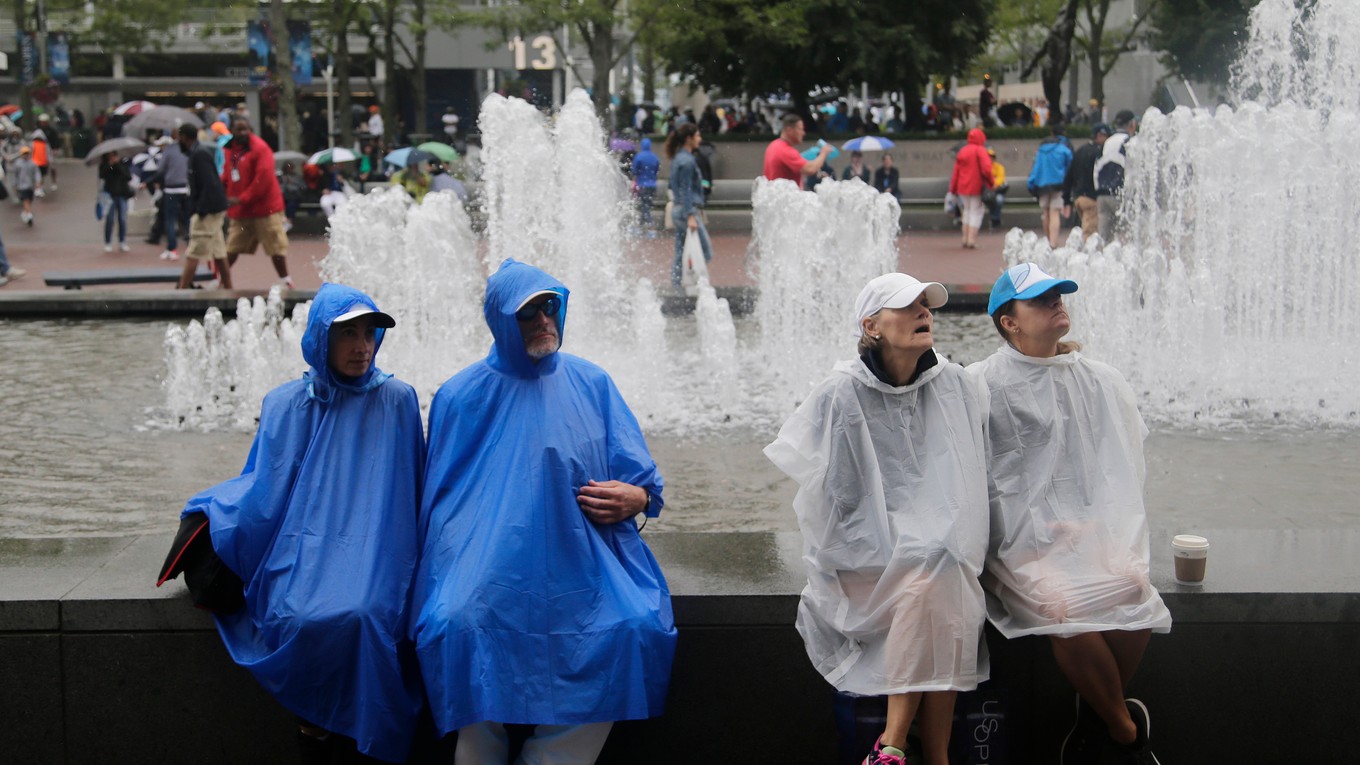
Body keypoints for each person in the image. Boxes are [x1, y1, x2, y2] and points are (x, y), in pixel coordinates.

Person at [412, 258, 675, 765]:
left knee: (633, 628)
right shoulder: (460, 396)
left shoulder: (592, 383)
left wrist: (638, 498)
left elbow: (641, 476)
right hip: (486, 568)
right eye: (529, 314)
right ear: (501, 320)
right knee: (457, 625)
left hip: (585, 563)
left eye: (550, 309)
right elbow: (440, 503)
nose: (544, 323)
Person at [166, 283, 425, 763]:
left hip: (376, 552)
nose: (362, 345)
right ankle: (316, 731)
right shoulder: (285, 403)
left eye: (369, 333)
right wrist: (216, 516)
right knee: (301, 614)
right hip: (298, 550)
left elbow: (405, 497)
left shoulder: (397, 401)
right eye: (348, 334)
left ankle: (351, 736)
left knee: (367, 612)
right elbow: (263, 489)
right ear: (321, 339)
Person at [765, 272, 990, 765]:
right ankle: (926, 753)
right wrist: (905, 545)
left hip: (933, 564)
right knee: (931, 573)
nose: (924, 313)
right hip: (861, 563)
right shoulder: (840, 393)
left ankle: (895, 749)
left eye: (927, 306)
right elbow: (836, 503)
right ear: (871, 325)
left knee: (937, 571)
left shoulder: (953, 384)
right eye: (908, 307)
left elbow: (973, 475)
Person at [972, 263, 1172, 765]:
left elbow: (1117, 468)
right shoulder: (979, 384)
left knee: (1133, 591)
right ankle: (1125, 732)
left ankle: (1095, 719)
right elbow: (977, 479)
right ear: (1008, 322)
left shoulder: (1100, 380)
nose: (1057, 303)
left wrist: (1092, 527)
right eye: (1040, 299)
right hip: (1018, 541)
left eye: (1059, 294)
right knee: (1063, 610)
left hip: (1083, 530)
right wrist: (1030, 532)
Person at [222, 118, 293, 289]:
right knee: (231, 247)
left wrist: (242, 198)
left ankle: (285, 280)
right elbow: (227, 174)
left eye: (245, 129)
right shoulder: (230, 150)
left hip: (265, 208)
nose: (243, 133)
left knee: (275, 246)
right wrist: (221, 192)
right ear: (232, 130)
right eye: (239, 129)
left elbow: (263, 178)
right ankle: (221, 279)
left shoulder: (260, 148)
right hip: (242, 210)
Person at [177, 123, 233, 290]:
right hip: (214, 207)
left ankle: (182, 291)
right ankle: (229, 288)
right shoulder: (198, 152)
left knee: (194, 250)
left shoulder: (198, 154)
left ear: (185, 137)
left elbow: (209, 183)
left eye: (179, 137)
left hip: (208, 210)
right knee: (219, 251)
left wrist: (200, 209)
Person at [665, 123, 713, 290]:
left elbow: (673, 186)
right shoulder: (687, 161)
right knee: (706, 251)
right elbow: (685, 189)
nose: (700, 139)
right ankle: (694, 281)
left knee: (680, 251)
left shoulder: (678, 158)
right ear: (689, 139)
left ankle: (677, 287)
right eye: (697, 136)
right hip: (687, 211)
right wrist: (691, 215)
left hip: (678, 210)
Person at [1026, 123, 1074, 248]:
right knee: (1055, 213)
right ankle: (1053, 242)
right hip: (1058, 184)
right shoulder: (1064, 149)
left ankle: (1047, 240)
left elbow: (1036, 168)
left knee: (1046, 213)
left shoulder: (1041, 151)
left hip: (1042, 185)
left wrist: (1031, 183)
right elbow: (1070, 167)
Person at [1095, 110, 1138, 243]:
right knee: (1129, 235)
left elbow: (1097, 167)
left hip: (1102, 194)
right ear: (1131, 124)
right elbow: (1134, 169)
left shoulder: (1107, 141)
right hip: (1120, 193)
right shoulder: (1130, 141)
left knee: (1104, 237)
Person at [1063, 123, 1111, 240]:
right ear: (1099, 136)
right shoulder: (1098, 152)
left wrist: (1066, 200)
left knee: (1087, 226)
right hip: (1091, 197)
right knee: (1091, 233)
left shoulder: (1080, 151)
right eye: (1107, 136)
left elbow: (1068, 176)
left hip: (1079, 197)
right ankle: (1089, 255)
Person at [948, 127, 993, 249]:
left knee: (966, 211)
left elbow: (956, 172)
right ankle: (972, 239)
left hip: (962, 187)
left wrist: (953, 188)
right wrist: (991, 182)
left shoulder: (962, 151)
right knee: (976, 212)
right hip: (976, 185)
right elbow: (987, 169)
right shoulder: (980, 150)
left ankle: (965, 238)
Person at [150, 133, 191, 261]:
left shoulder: (169, 151)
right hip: (184, 187)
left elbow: (161, 170)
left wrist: (150, 181)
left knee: (170, 219)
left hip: (171, 188)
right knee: (186, 218)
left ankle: (172, 248)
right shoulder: (186, 149)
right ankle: (191, 245)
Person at [763, 113, 832, 184]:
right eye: (800, 129)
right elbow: (810, 169)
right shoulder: (785, 150)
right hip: (786, 194)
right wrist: (824, 152)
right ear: (789, 130)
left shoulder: (774, 145)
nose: (803, 133)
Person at [98, 151, 134, 252]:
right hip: (109, 195)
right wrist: (109, 165)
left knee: (122, 219)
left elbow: (128, 176)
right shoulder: (104, 165)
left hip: (122, 194)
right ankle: (108, 242)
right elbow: (102, 175)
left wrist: (117, 165)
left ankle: (122, 241)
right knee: (109, 220)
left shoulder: (122, 163)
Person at [630, 136, 660, 231]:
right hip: (652, 184)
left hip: (642, 184)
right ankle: (642, 224)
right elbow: (656, 170)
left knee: (644, 205)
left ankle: (649, 224)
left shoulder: (639, 156)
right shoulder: (654, 157)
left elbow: (634, 171)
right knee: (647, 204)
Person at [12, 146, 38, 227]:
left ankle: (25, 213)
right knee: (26, 200)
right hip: (22, 186)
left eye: (27, 153)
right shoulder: (18, 164)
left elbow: (37, 173)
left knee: (29, 201)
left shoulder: (33, 163)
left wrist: (37, 182)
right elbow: (15, 175)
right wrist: (15, 185)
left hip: (30, 186)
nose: (26, 155)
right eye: (24, 154)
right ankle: (30, 215)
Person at [279, 161, 307, 232]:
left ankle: (289, 221)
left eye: (291, 168)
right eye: (288, 168)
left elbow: (304, 187)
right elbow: (279, 188)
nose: (290, 169)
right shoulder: (281, 177)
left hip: (295, 195)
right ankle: (283, 221)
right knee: (281, 204)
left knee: (291, 204)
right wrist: (284, 182)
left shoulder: (297, 177)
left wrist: (293, 182)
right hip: (285, 196)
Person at [986, 147, 1008, 229]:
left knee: (999, 200)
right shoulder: (984, 167)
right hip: (985, 192)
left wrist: (994, 185)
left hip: (996, 191)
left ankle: (995, 219)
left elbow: (1001, 178)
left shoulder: (999, 167)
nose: (990, 159)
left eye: (992, 157)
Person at [30, 129, 51, 196]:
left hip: (42, 163)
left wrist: (48, 161)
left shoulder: (45, 144)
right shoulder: (33, 144)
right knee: (38, 176)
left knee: (41, 176)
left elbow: (47, 153)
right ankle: (37, 188)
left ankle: (40, 188)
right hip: (36, 163)